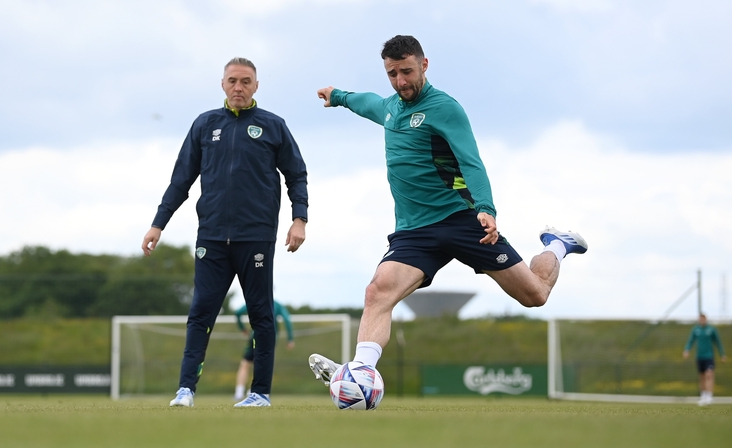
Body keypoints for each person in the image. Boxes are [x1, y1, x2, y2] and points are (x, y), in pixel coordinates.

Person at [307, 35, 588, 386]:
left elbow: (471, 162)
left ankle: (557, 245)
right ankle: (361, 373)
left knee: (534, 295)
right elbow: (368, 103)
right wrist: (338, 97)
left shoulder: (445, 108)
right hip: (414, 231)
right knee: (377, 292)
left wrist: (486, 208)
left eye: (407, 71)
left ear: (424, 65)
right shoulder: (391, 107)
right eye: (393, 74)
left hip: (460, 220)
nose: (401, 81)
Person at [142, 57, 309, 408]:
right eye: (232, 80)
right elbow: (181, 180)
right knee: (201, 312)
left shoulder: (273, 126)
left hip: (257, 237)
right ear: (222, 84)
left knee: (262, 315)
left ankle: (260, 393)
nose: (238, 87)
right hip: (213, 237)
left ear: (256, 86)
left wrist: (300, 218)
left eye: (246, 81)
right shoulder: (205, 125)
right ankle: (185, 391)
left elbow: (296, 174)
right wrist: (159, 223)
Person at [233, 300, 295, 401]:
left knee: (245, 364)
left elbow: (238, 312)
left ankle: (240, 392)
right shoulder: (277, 305)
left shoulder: (256, 301)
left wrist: (242, 328)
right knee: (263, 363)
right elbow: (287, 319)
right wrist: (290, 338)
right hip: (271, 337)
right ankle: (255, 392)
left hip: (256, 335)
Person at [683, 313, 726, 406]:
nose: (701, 321)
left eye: (703, 319)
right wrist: (687, 350)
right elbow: (690, 341)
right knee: (702, 377)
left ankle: (709, 396)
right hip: (699, 357)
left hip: (709, 357)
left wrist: (722, 354)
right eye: (700, 319)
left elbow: (718, 342)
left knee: (709, 375)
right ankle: (703, 396)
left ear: (705, 319)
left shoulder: (711, 329)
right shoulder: (696, 329)